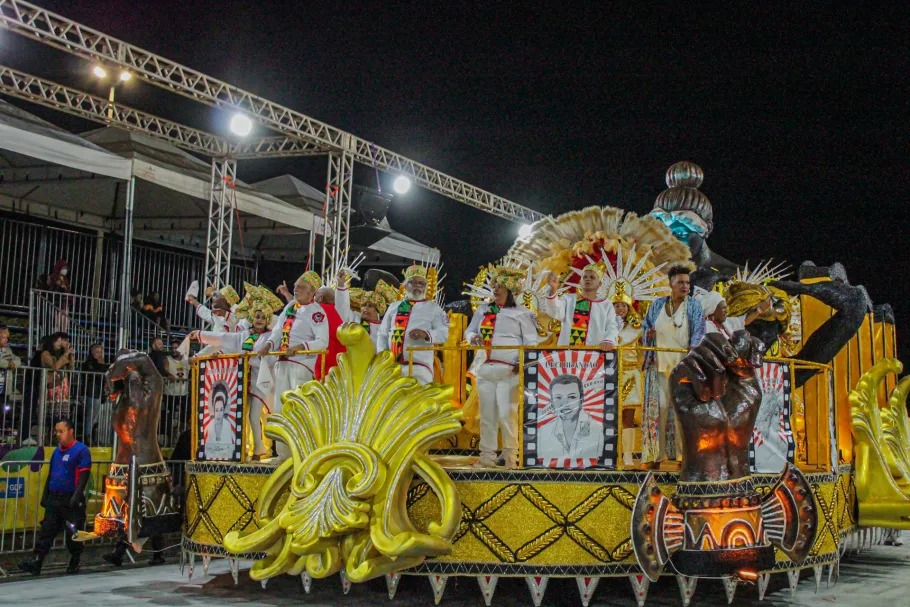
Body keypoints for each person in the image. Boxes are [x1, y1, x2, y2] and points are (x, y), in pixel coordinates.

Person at [464, 266, 539, 469]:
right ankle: (487, 457)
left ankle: (511, 457)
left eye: (500, 286)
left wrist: (521, 363)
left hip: (509, 371)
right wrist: (473, 337)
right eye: (494, 286)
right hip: (485, 369)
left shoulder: (523, 313)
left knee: (507, 414)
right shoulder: (483, 309)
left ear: (510, 289)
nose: (495, 289)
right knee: (487, 416)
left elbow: (532, 343)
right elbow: (469, 332)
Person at [193, 289, 276, 460]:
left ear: (268, 320)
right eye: (257, 316)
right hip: (243, 382)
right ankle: (248, 449)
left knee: (257, 416)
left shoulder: (271, 337)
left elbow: (269, 359)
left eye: (263, 317)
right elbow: (224, 339)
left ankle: (263, 448)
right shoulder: (244, 334)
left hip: (261, 382)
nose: (259, 320)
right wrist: (202, 336)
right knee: (244, 416)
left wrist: (249, 358)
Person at [256, 271, 328, 460]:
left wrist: (300, 347)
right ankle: (283, 456)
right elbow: (278, 330)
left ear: (312, 292)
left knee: (297, 411)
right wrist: (269, 344)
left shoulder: (317, 313)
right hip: (281, 364)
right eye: (295, 287)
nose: (296, 290)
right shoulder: (290, 306)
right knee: (280, 411)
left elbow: (323, 342)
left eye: (301, 287)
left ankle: (301, 456)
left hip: (300, 367)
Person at [641, 265, 706, 467]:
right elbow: (645, 328)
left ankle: (683, 458)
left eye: (687, 283)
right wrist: (648, 335)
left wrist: (692, 353)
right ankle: (655, 456)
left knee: (681, 412)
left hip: (683, 368)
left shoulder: (694, 306)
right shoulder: (657, 304)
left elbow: (699, 332)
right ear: (671, 283)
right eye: (680, 282)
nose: (685, 286)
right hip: (659, 365)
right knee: (658, 409)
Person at [18, 418, 91, 575]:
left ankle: (75, 561)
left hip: (71, 499)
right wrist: (45, 495)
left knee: (73, 533)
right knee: (47, 531)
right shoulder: (56, 452)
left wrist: (77, 495)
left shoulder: (81, 450)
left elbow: (84, 475)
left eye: (61, 431)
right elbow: (51, 474)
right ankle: (37, 561)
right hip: (54, 498)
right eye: (56, 431)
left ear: (71, 431)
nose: (58, 434)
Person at [377, 264, 449, 385]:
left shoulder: (434, 308)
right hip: (393, 368)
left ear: (425, 286)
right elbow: (382, 334)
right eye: (413, 282)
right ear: (405, 285)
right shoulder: (394, 306)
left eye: (421, 283)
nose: (417, 286)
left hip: (419, 368)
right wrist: (383, 358)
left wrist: (426, 334)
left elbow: (444, 333)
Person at [544, 264, 619, 351]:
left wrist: (608, 340)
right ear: (580, 281)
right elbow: (555, 311)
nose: (588, 279)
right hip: (567, 355)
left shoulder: (606, 304)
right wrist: (553, 289)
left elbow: (612, 326)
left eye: (592, 277)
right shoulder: (568, 299)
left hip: (594, 354)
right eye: (585, 277)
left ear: (599, 284)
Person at [537, 374, 604, 461]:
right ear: (552, 402)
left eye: (572, 397)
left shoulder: (597, 431)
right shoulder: (543, 432)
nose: (565, 404)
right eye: (558, 397)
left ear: (581, 400)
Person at [612, 288, 644, 467]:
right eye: (616, 305)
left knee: (628, 417)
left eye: (623, 305)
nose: (620, 309)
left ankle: (628, 455)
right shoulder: (605, 325)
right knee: (609, 415)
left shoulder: (636, 327)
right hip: (610, 373)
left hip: (630, 373)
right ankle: (611, 453)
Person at [335, 273, 396, 351]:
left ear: (379, 310)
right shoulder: (355, 319)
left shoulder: (386, 327)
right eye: (363, 305)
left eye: (370, 306)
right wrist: (341, 285)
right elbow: (342, 308)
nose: (365, 308)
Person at [700, 290, 771, 338]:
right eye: (723, 308)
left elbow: (744, 321)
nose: (726, 311)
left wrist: (762, 307)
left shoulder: (725, 323)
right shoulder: (706, 327)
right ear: (713, 310)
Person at [313, 286, 347, 379]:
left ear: (321, 298)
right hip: (338, 363)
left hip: (321, 361)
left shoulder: (317, 312)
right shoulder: (339, 312)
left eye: (315, 295)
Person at [163, 337, 189, 445]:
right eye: (172, 348)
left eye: (176, 348)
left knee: (184, 418)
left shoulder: (185, 360)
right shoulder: (167, 359)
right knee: (170, 418)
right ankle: (170, 439)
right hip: (170, 393)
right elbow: (164, 369)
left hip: (183, 394)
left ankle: (181, 438)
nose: (173, 350)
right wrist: (168, 374)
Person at [80, 343, 107, 444]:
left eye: (101, 352)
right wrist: (101, 365)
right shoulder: (88, 363)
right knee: (90, 416)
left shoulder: (101, 364)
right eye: (97, 352)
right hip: (91, 392)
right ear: (92, 353)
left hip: (98, 392)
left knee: (95, 417)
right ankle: (87, 437)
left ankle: (92, 436)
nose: (100, 354)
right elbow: (94, 376)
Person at [0, 324, 22, 400]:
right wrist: (8, 364)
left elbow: (18, 359)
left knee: (4, 405)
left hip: (5, 388)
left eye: (7, 338)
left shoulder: (8, 349)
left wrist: (13, 364)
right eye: (4, 337)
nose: (6, 340)